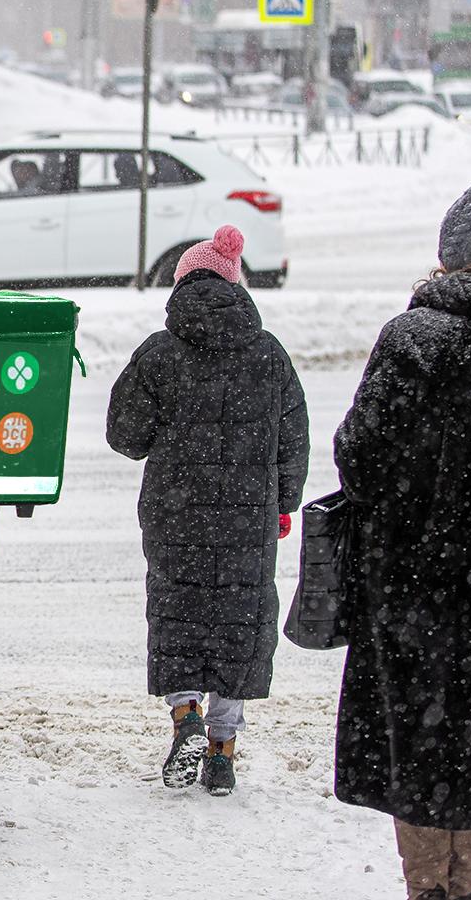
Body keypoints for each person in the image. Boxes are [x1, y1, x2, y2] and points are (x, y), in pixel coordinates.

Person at [106, 224, 309, 796]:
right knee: (238, 626)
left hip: (176, 516)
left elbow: (125, 436)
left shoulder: (160, 352)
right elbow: (294, 435)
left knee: (178, 617)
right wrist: (284, 501)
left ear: (181, 285)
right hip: (249, 521)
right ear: (235, 284)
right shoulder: (269, 355)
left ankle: (184, 715)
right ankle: (222, 750)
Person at [333, 181, 471, 900]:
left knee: (422, 751)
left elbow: (358, 455)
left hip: (413, 594)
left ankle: (429, 886)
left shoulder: (412, 339)